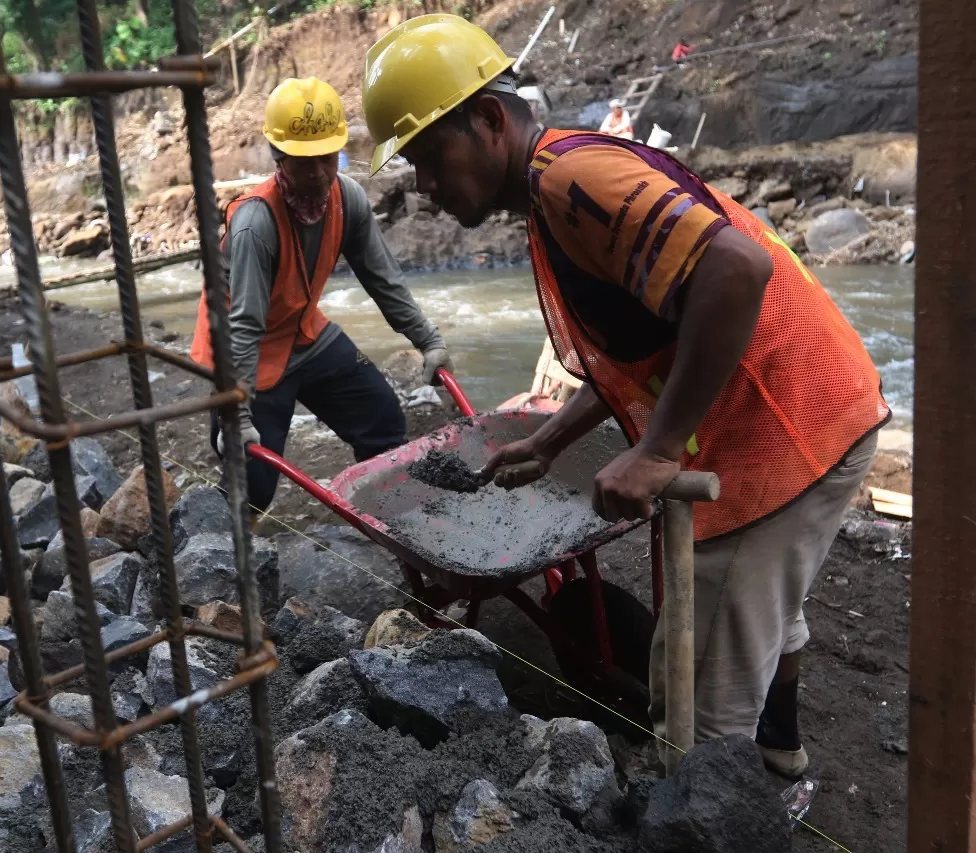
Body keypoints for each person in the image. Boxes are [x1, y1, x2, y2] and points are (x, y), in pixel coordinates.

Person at [362, 14, 889, 778]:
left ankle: (731, 800)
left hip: (779, 428)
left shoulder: (573, 181)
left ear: (486, 120)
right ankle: (779, 756)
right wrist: (550, 441)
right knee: (765, 608)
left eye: (428, 154)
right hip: (813, 404)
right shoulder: (562, 183)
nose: (426, 184)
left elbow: (736, 273)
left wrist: (659, 448)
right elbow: (644, 352)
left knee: (698, 692)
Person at [190, 77, 453, 516]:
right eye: (303, 162)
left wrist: (428, 340)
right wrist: (238, 414)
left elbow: (383, 279)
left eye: (326, 159)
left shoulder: (346, 198)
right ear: (279, 158)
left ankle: (390, 518)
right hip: (248, 351)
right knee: (252, 481)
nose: (317, 174)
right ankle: (223, 547)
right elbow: (245, 325)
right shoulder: (256, 223)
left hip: (305, 332)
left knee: (382, 418)